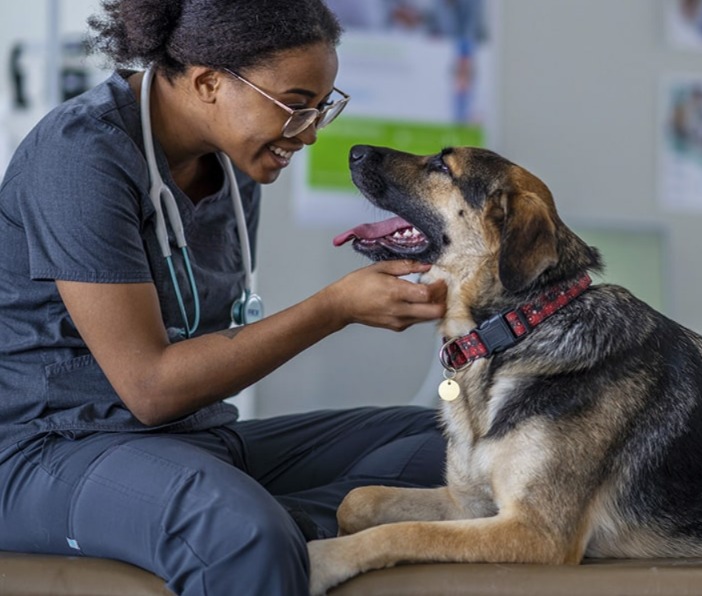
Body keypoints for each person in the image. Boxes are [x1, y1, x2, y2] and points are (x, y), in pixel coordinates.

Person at [0, 1, 448, 594]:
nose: (310, 134)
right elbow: (152, 390)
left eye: (321, 109)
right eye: (295, 106)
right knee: (238, 531)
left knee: (448, 446)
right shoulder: (82, 155)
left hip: (196, 442)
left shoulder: (234, 167)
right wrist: (334, 308)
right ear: (209, 81)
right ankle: (250, 530)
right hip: (50, 451)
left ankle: (280, 526)